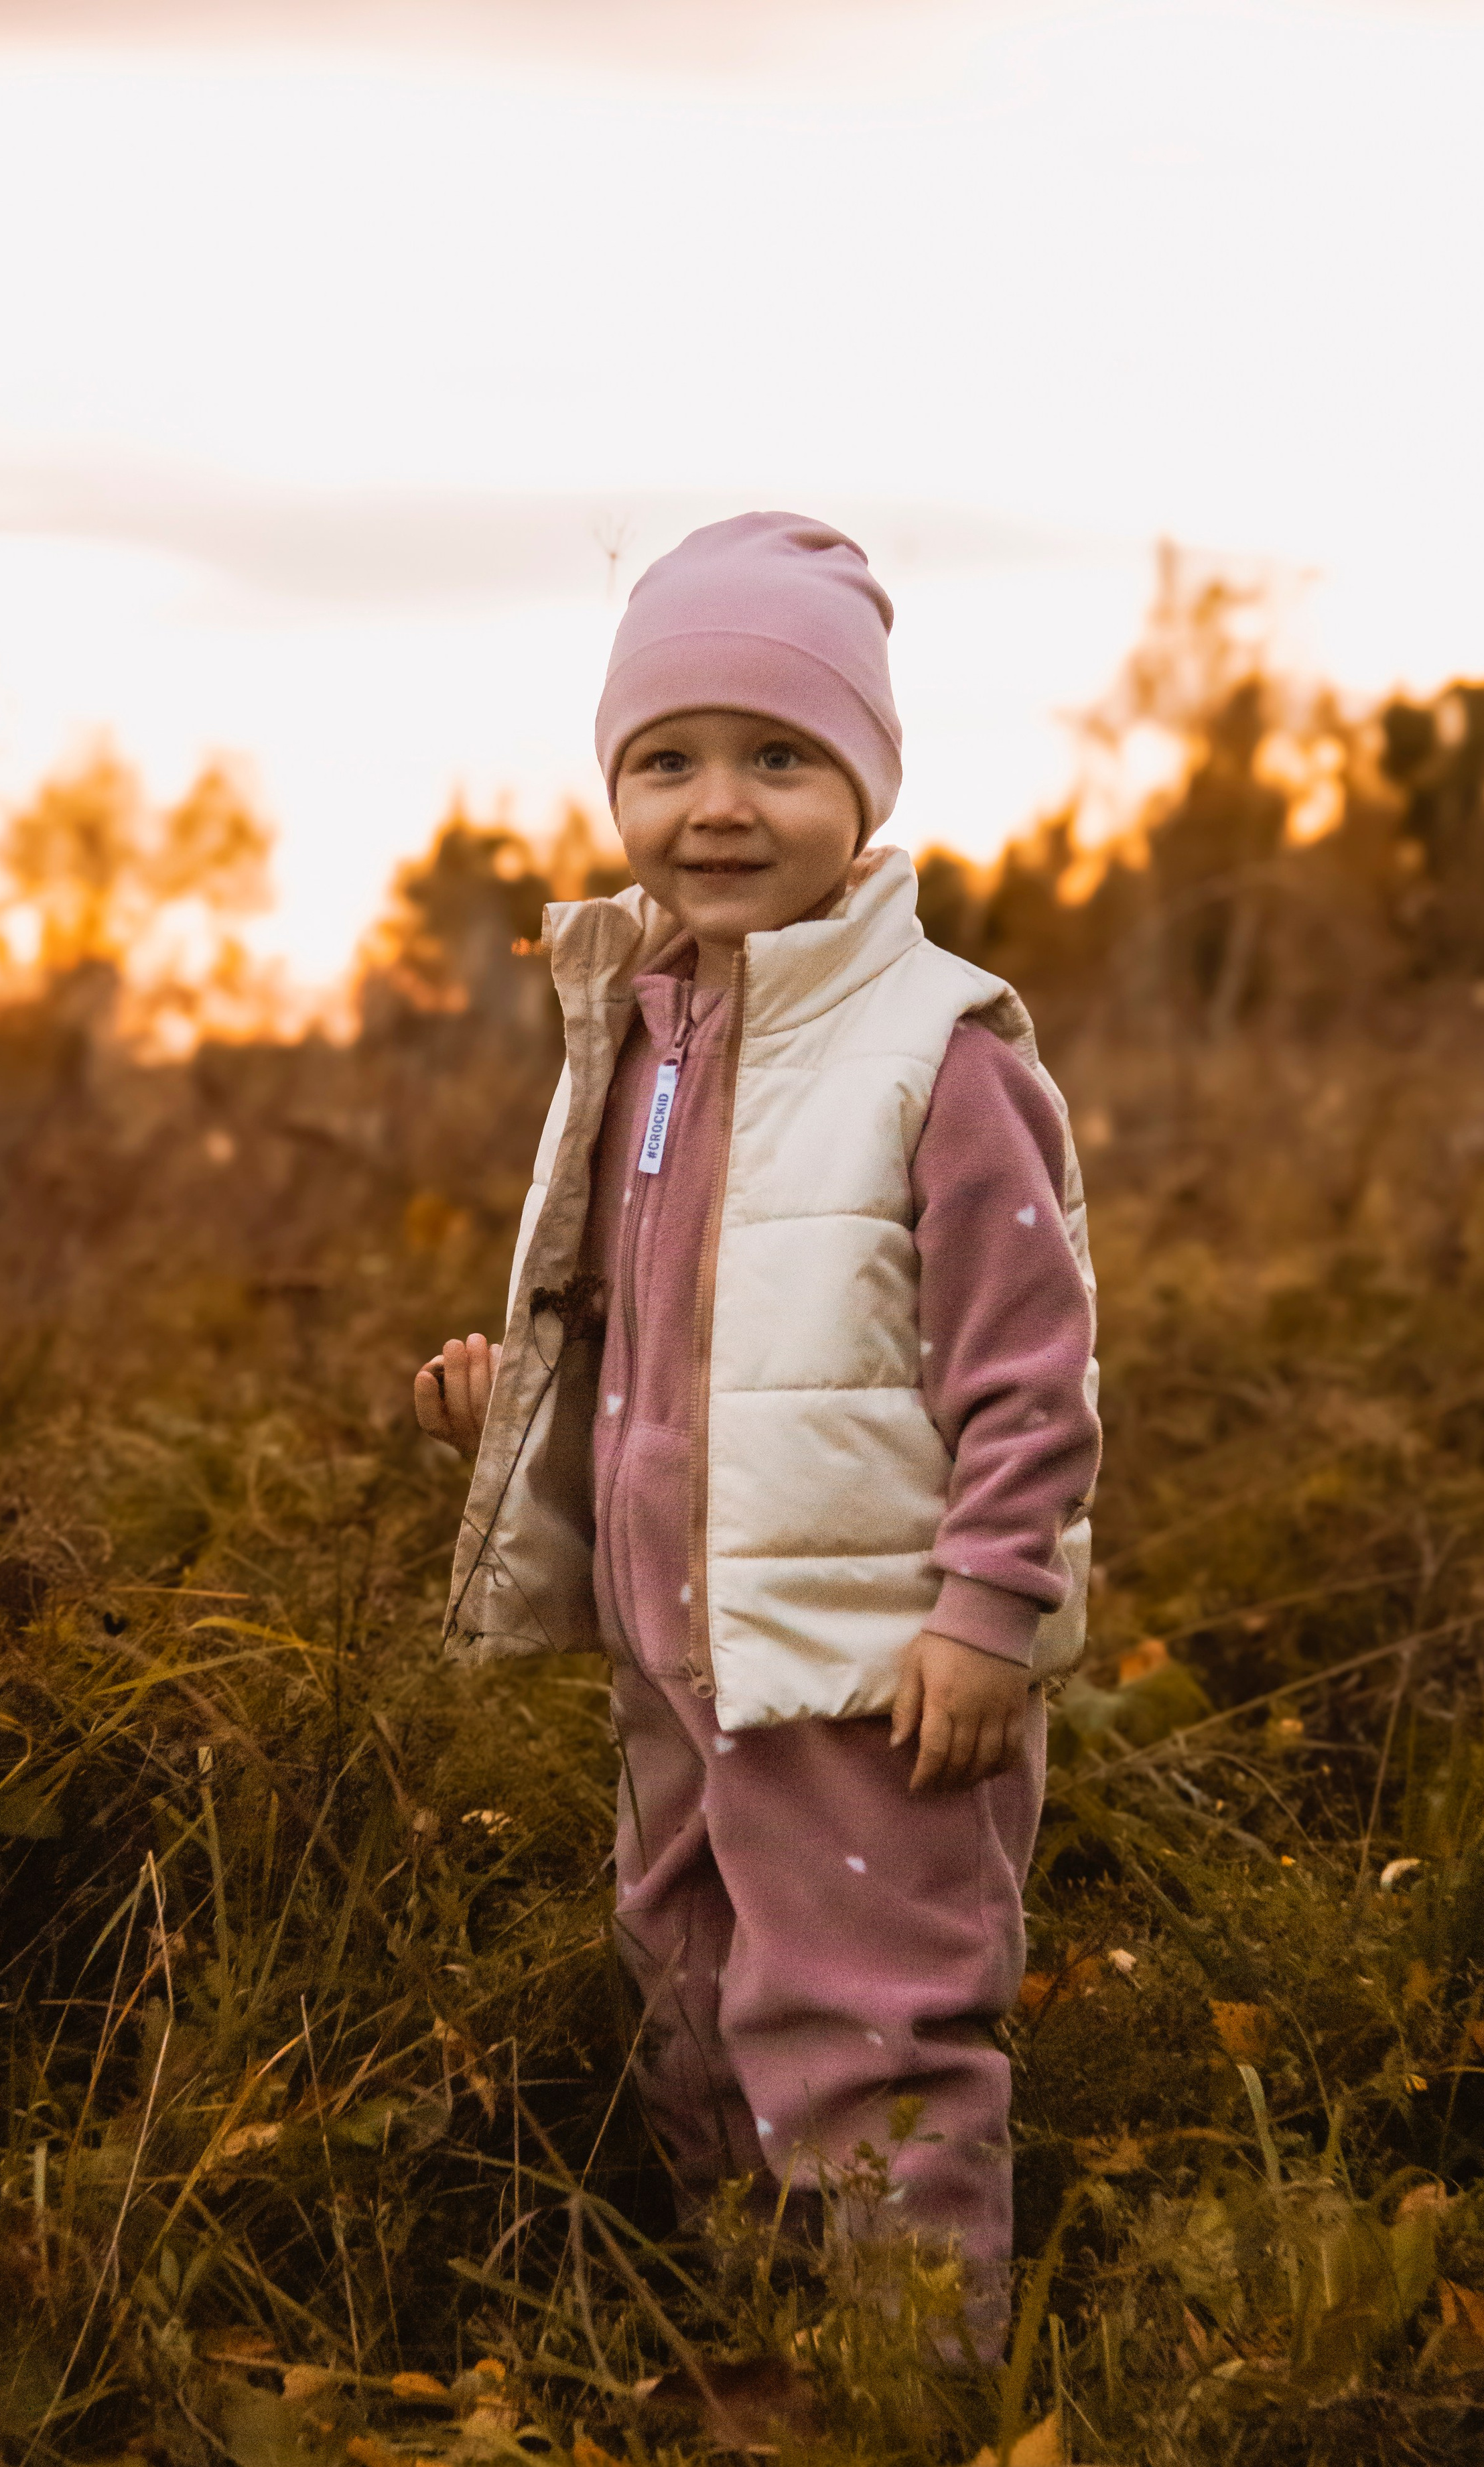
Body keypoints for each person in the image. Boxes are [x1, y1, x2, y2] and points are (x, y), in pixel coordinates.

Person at [413, 512, 1100, 2354]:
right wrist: (525, 1410)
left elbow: (1028, 1368)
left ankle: (901, 2398)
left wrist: (986, 1613)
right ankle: (749, 2318)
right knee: (689, 1976)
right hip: (679, 1644)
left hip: (869, 1667)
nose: (718, 805)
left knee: (869, 2016)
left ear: (864, 792)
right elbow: (672, 1325)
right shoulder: (641, 1029)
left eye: (778, 757)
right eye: (670, 759)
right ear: (617, 786)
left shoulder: (939, 1058)